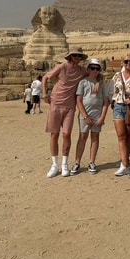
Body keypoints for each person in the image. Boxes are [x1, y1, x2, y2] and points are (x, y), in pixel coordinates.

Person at [42, 47, 89, 178]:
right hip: (56, 103)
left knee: (67, 134)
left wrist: (99, 81)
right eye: (75, 55)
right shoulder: (62, 67)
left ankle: (64, 164)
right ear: (70, 56)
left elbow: (94, 74)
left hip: (70, 106)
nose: (77, 58)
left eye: (79, 56)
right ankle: (54, 165)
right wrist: (44, 94)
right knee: (54, 134)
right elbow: (46, 77)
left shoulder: (82, 71)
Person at [72, 59, 110, 175]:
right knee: (82, 137)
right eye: (92, 68)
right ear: (88, 69)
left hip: (97, 114)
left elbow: (106, 101)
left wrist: (102, 117)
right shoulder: (83, 82)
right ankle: (77, 162)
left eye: (97, 68)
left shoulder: (102, 83)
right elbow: (78, 100)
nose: (95, 70)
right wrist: (85, 116)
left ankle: (92, 162)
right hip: (85, 114)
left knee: (95, 137)